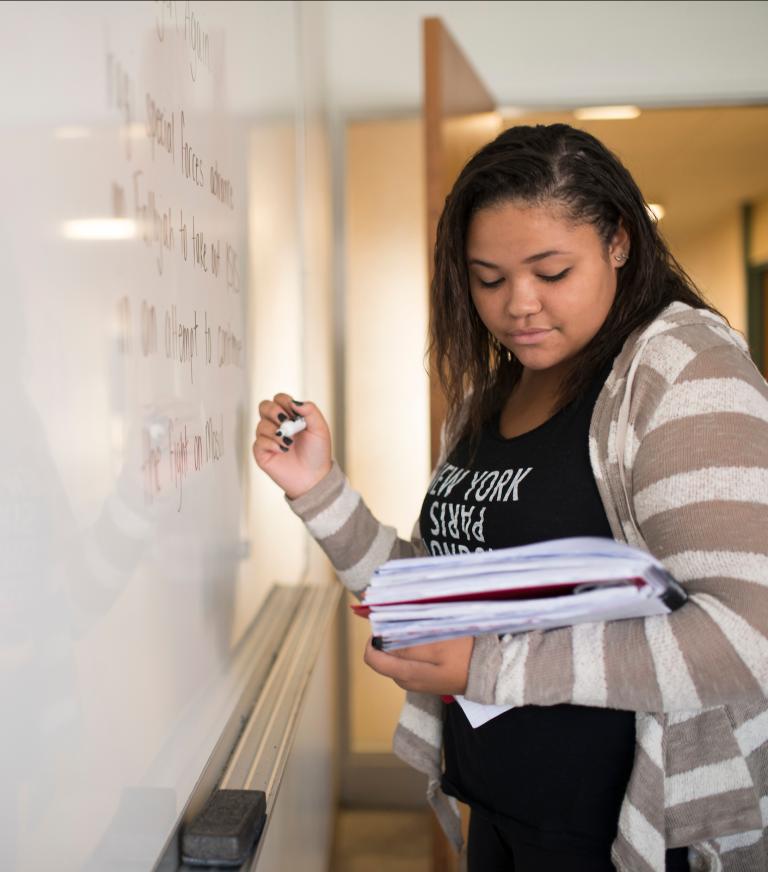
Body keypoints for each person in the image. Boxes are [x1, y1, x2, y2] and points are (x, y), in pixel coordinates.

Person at [252, 124, 768, 872]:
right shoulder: (489, 395)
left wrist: (488, 667)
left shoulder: (684, 374)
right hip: (500, 809)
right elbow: (439, 600)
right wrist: (318, 490)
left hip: (630, 836)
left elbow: (748, 638)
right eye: (488, 278)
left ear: (619, 242)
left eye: (551, 272)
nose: (517, 305)